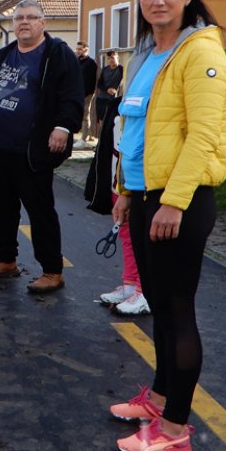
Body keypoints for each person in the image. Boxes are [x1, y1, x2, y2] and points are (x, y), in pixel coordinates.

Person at [109, 0, 226, 451]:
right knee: (158, 307)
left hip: (179, 201)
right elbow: (132, 131)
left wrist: (174, 202)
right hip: (143, 197)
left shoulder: (201, 53)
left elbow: (203, 136)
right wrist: (122, 191)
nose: (157, 1)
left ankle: (176, 427)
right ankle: (159, 398)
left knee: (178, 311)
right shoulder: (147, 54)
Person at [0, 0, 83, 293]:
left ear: (42, 22)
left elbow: (72, 96)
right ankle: (6, 260)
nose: (24, 22)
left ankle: (52, 270)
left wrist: (63, 127)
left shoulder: (57, 54)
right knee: (0, 207)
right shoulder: (3, 54)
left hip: (32, 151)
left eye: (31, 17)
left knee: (40, 210)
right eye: (19, 17)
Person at [85, 97, 148, 316]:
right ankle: (130, 285)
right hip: (118, 181)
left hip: (139, 184)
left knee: (142, 239)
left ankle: (144, 291)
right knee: (126, 235)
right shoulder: (121, 103)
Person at [74, 41, 98, 148]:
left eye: (80, 49)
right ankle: (88, 135)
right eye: (77, 49)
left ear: (86, 49)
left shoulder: (91, 63)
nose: (77, 51)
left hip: (86, 94)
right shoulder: (77, 61)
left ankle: (84, 139)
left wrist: (86, 93)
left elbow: (91, 81)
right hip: (77, 93)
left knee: (85, 115)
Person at [95, 49, 123, 130]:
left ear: (117, 58)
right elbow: (99, 84)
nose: (111, 60)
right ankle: (100, 141)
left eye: (113, 58)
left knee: (112, 122)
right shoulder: (105, 69)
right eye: (109, 58)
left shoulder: (121, 69)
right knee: (101, 121)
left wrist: (117, 90)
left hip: (114, 100)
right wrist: (107, 89)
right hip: (102, 99)